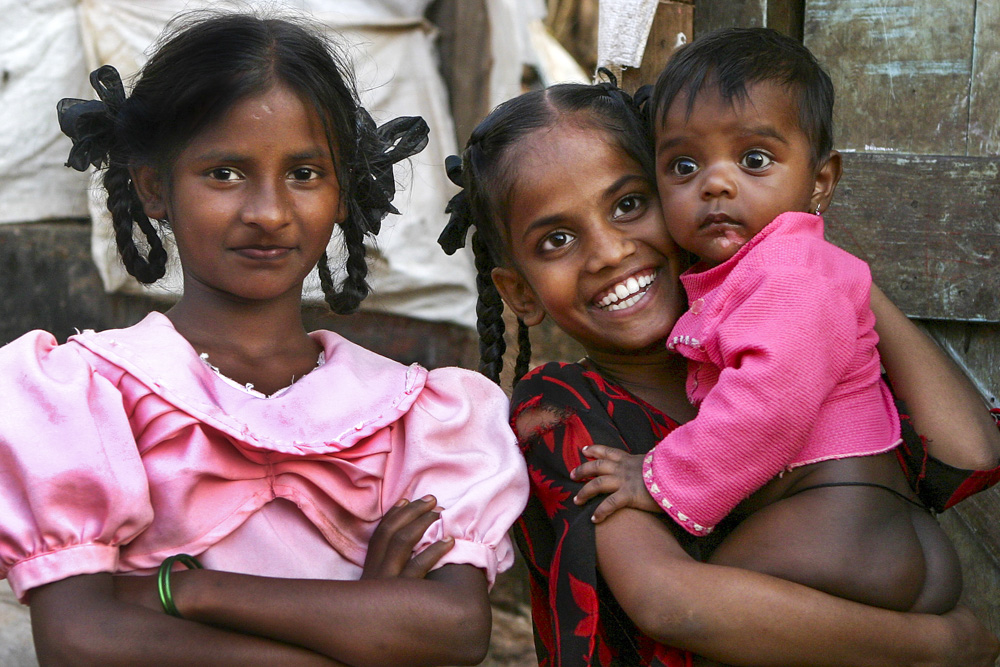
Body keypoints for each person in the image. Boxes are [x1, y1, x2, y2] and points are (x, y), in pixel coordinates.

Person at [0, 13, 527, 666]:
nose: (269, 211)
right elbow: (81, 640)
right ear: (154, 185)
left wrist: (186, 589)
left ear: (342, 191)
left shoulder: (416, 416)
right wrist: (360, 627)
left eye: (305, 173)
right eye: (224, 173)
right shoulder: (90, 395)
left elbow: (452, 627)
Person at [438, 74, 1000, 666]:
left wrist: (815, 263)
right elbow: (670, 601)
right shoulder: (560, 411)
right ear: (519, 292)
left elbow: (969, 454)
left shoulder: (790, 343)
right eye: (556, 240)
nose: (608, 252)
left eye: (630, 205)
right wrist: (935, 647)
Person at [564, 26, 965, 617]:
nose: (716, 182)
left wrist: (656, 479)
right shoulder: (763, 272)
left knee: (714, 620)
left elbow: (767, 403)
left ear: (820, 182)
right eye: (682, 165)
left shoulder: (791, 270)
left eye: (754, 159)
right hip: (870, 526)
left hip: (831, 526)